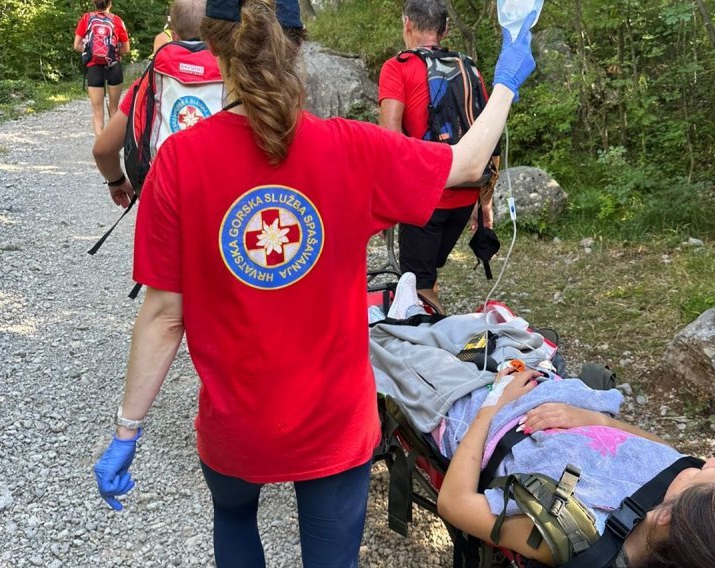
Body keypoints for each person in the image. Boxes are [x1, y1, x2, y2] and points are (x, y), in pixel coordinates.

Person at [90, 0, 536, 566]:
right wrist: (504, 83)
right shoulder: (351, 148)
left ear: (218, 47)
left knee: (232, 517)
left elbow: (163, 316)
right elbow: (468, 163)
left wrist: (127, 430)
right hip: (333, 424)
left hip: (236, 424)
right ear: (297, 47)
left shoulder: (180, 160)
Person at [436, 368, 715, 567]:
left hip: (484, 420)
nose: (709, 461)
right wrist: (592, 418)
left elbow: (455, 503)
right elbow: (667, 454)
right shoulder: (689, 505)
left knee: (428, 357)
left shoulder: (577, 534)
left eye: (705, 472)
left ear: (666, 516)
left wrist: (494, 405)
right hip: (550, 399)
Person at [378, 0, 500, 314]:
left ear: (407, 24)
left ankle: (434, 345)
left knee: (417, 287)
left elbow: (389, 139)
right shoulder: (468, 67)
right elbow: (490, 136)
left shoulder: (398, 67)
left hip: (425, 197)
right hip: (467, 192)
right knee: (428, 271)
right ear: (444, 30)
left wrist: (387, 200)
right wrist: (484, 201)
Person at [92, 0, 218, 207]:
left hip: (162, 195)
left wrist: (117, 181)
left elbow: (102, 150)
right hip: (218, 196)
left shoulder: (151, 78)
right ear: (217, 30)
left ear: (174, 34)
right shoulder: (236, 76)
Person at [74, 0, 130, 136]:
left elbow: (77, 45)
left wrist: (90, 52)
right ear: (110, 4)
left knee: (98, 113)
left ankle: (101, 148)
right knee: (114, 109)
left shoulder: (86, 18)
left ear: (94, 3)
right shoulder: (117, 20)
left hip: (94, 67)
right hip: (113, 66)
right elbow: (126, 49)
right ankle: (112, 149)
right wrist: (113, 52)